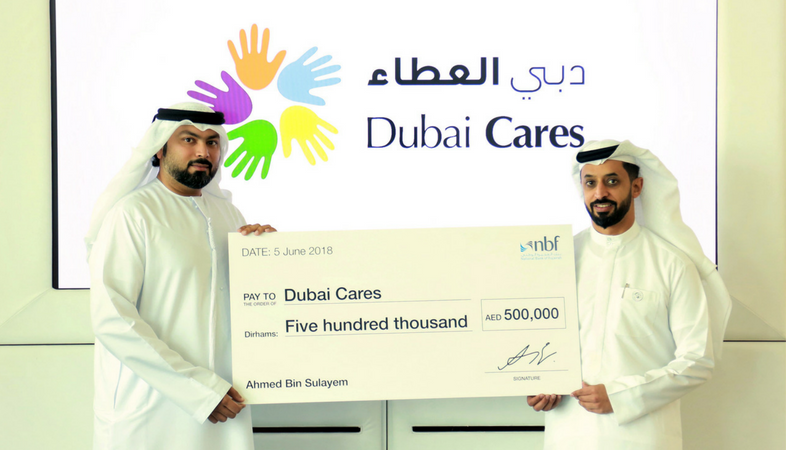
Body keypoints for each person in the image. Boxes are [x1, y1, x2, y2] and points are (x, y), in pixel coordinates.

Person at [85, 102, 274, 450]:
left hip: (225, 403)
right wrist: (198, 391)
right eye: (189, 139)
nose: (203, 151)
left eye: (212, 142)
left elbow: (244, 306)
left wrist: (268, 256)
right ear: (159, 149)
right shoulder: (132, 214)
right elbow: (112, 319)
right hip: (150, 407)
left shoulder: (230, 216)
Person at [528, 140, 731, 449]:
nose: (600, 193)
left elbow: (698, 360)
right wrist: (538, 383)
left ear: (636, 187)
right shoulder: (558, 259)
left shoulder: (671, 263)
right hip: (568, 434)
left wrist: (622, 396)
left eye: (612, 181)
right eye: (590, 183)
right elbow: (539, 344)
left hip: (644, 437)